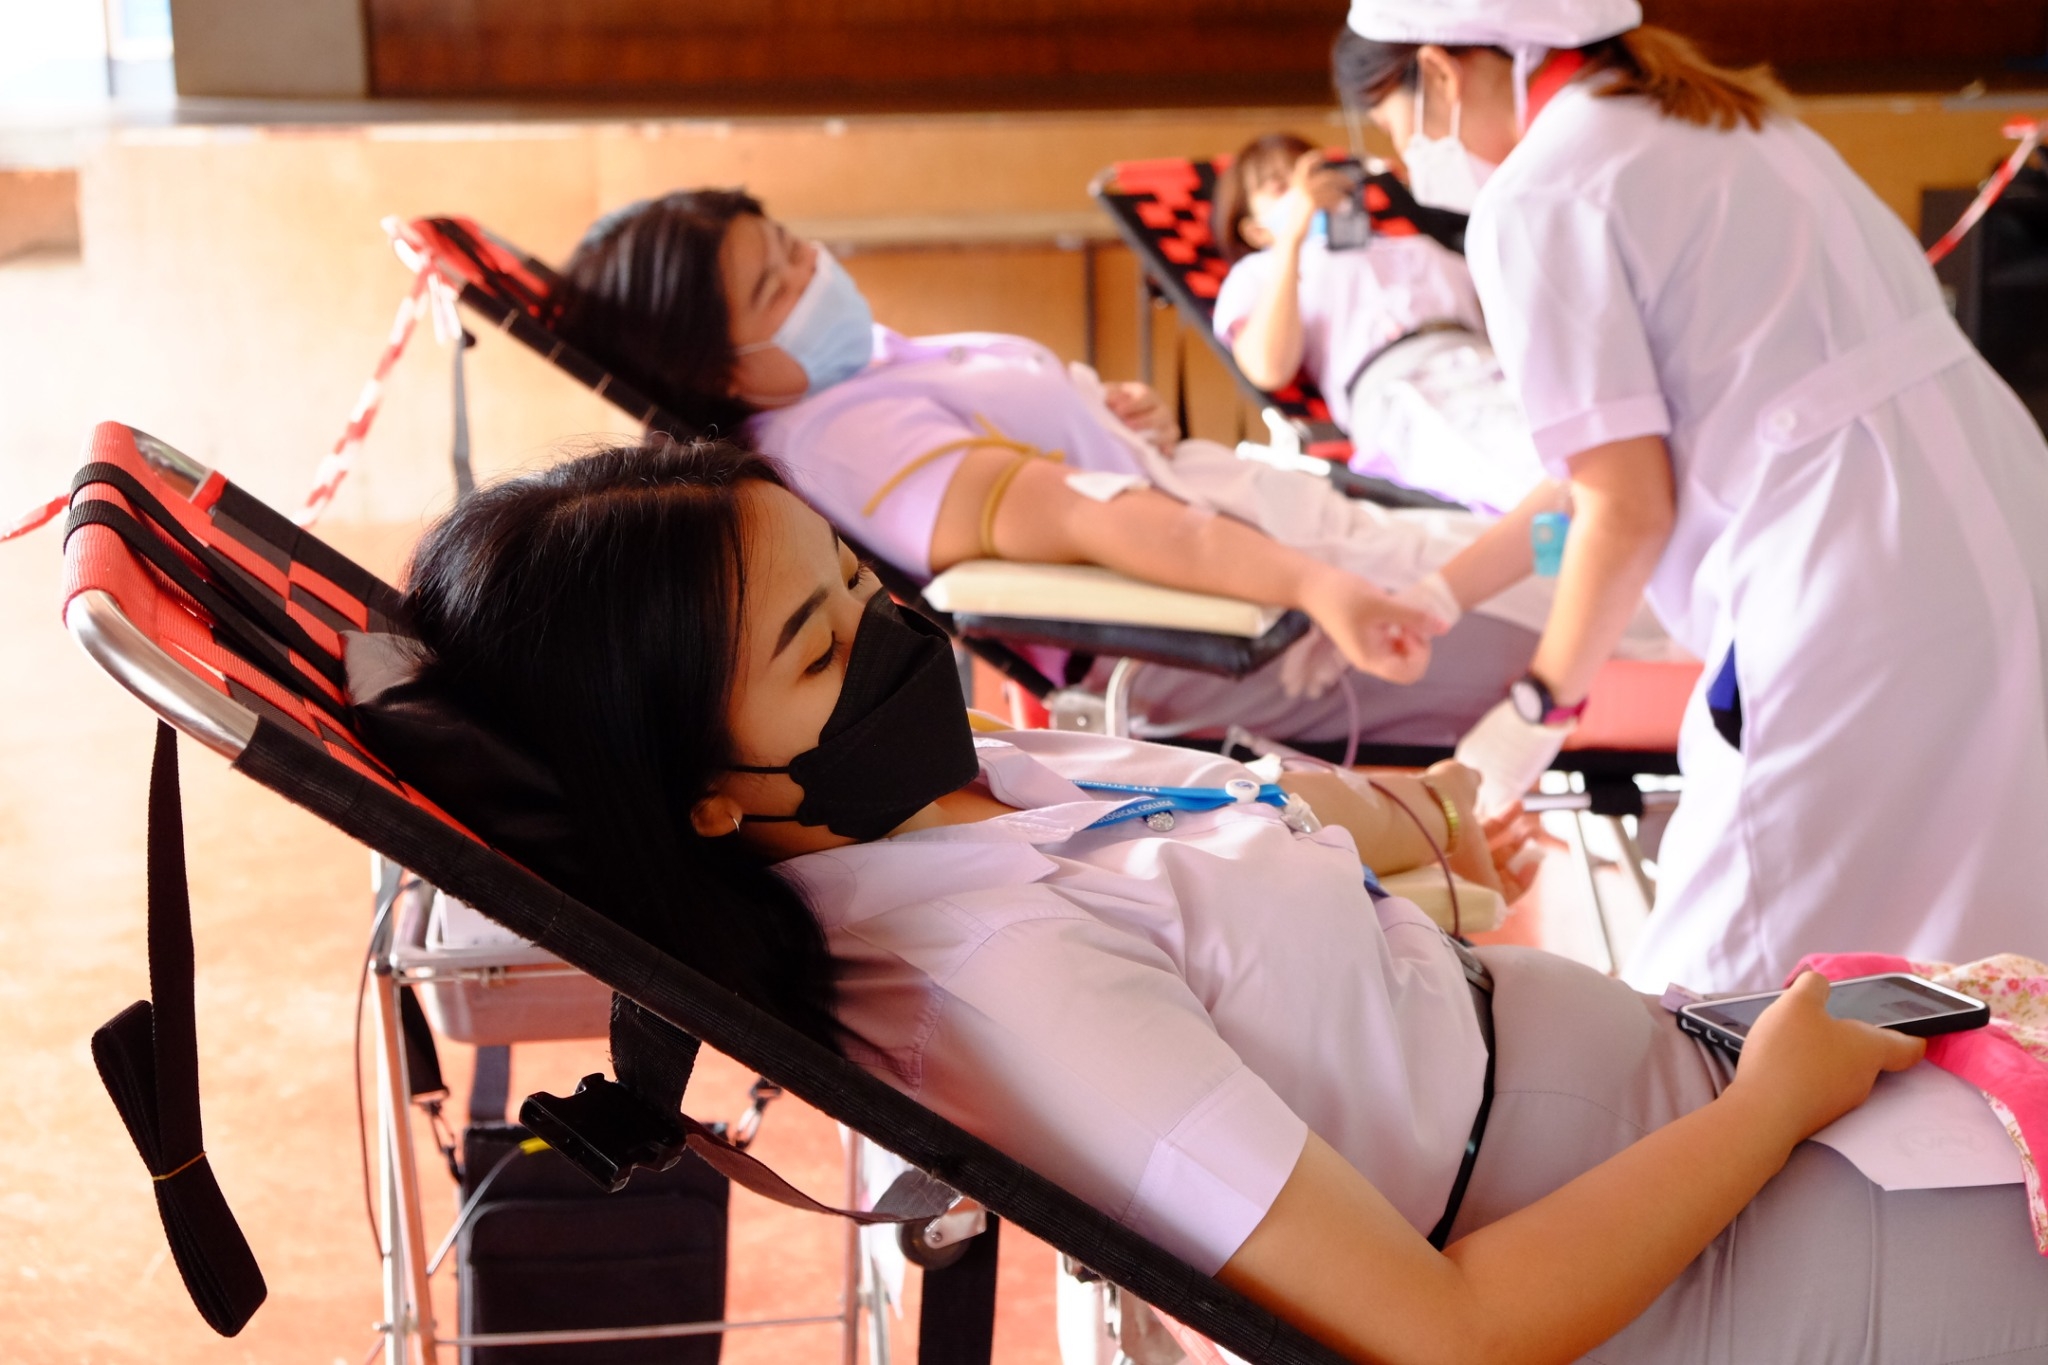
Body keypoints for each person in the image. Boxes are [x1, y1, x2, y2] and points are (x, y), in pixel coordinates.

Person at [397, 439, 2048, 1365]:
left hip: (1681, 1116)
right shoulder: (1002, 988)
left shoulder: (958, 791)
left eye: (856, 580)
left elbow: (1206, 819)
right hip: (1702, 1282)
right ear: (705, 795)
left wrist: (1402, 827)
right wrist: (1769, 1105)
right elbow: (1443, 1342)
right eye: (822, 648)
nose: (898, 630)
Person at [1338, 0, 2048, 992]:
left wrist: (1524, 722)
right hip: (1996, 517)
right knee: (1986, 963)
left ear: (1439, 75)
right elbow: (1605, 468)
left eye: (1396, 132)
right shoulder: (1738, 122)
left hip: (1844, 583)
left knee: (1716, 1003)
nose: (1415, 165)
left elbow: (1624, 509)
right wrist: (1439, 596)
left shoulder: (1539, 196)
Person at [552, 190, 1673, 748]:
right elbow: (1099, 523)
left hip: (1274, 543)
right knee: (1626, 595)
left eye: (794, 247)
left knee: (1598, 535)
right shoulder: (842, 441)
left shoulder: (850, 381)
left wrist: (1104, 414)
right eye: (774, 288)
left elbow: (1064, 466)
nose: (814, 274)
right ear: (722, 370)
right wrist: (1314, 592)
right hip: (1254, 628)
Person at [1212, 131, 1547, 514]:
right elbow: (1268, 367)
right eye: (1281, 187)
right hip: (1405, 392)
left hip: (1495, 367)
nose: (1309, 192)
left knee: (1588, 449)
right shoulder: (1260, 273)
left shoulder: (1416, 246)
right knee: (1528, 470)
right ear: (1256, 230)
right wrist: (1291, 238)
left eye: (1318, 176)